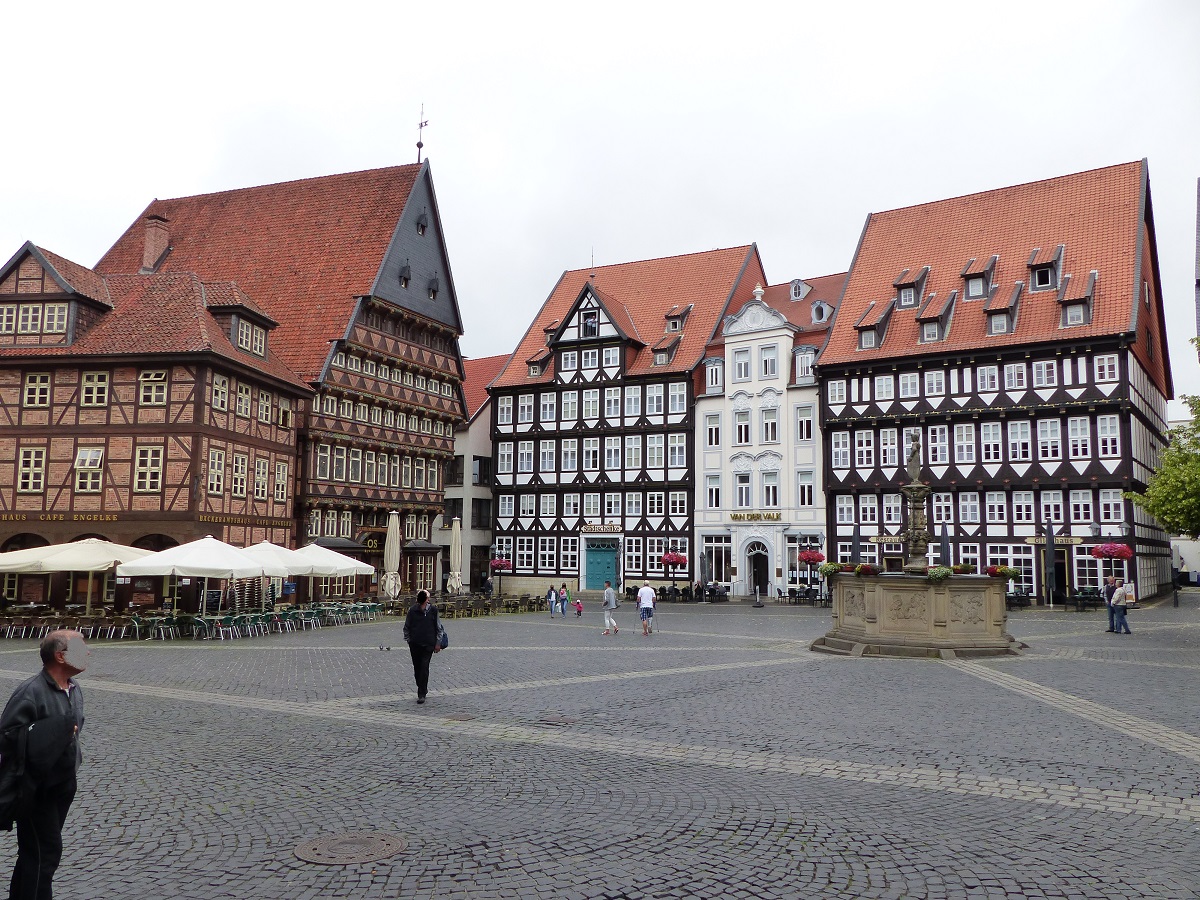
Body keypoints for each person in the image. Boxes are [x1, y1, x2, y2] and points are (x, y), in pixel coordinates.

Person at [0, 630, 88, 900]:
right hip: (37, 789)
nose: (88, 653)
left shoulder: (73, 688)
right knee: (44, 854)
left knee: (35, 853)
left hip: (62, 785)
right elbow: (7, 737)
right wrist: (48, 732)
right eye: (80, 647)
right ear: (60, 656)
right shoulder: (31, 692)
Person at [402, 590, 442, 703]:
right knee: (417, 668)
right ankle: (422, 686)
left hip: (429, 644)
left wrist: (437, 643)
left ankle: (422, 693)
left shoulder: (433, 611)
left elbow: (439, 627)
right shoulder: (412, 611)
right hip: (415, 644)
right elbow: (406, 626)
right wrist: (408, 640)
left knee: (424, 667)